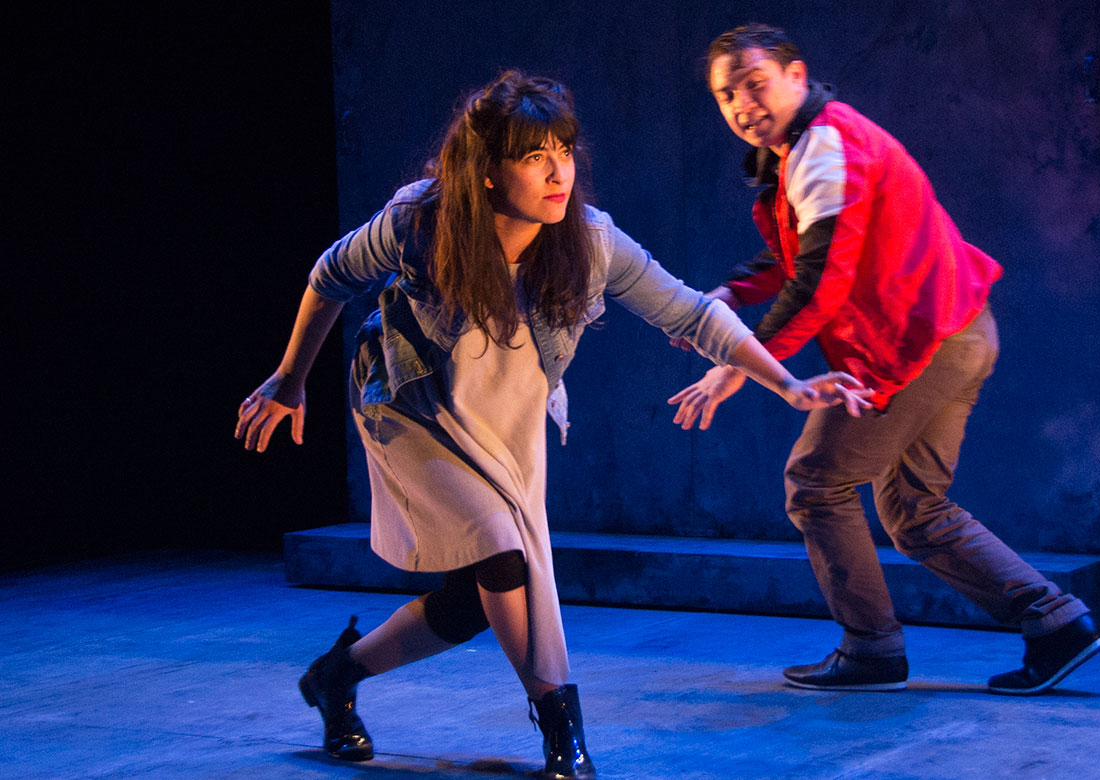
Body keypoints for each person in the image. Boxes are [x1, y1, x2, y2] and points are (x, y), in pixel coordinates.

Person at [234, 70, 870, 779]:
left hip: (507, 422)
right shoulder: (421, 220)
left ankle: (337, 676)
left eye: (563, 151)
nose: (558, 171)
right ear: (486, 171)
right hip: (410, 411)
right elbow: (330, 276)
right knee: (502, 554)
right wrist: (289, 380)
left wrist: (786, 383)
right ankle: (561, 728)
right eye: (534, 156)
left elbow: (693, 312)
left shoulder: (589, 241)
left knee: (472, 603)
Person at [668, 24, 1100, 695]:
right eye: (727, 95)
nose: (742, 105)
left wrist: (735, 367)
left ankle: (871, 649)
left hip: (918, 346)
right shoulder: (811, 146)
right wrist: (732, 292)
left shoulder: (826, 147)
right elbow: (806, 248)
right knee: (913, 507)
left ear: (795, 76)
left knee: (815, 481)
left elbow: (819, 283)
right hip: (960, 332)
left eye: (755, 85)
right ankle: (1057, 623)